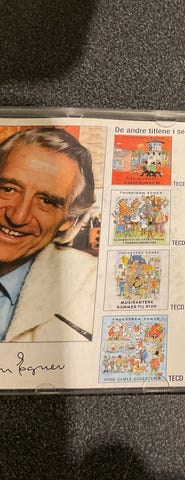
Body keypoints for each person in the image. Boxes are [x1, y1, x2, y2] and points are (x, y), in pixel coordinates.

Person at [0, 127, 98, 342]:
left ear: (68, 220)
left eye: (46, 201)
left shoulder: (90, 284)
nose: (18, 217)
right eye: (8, 189)